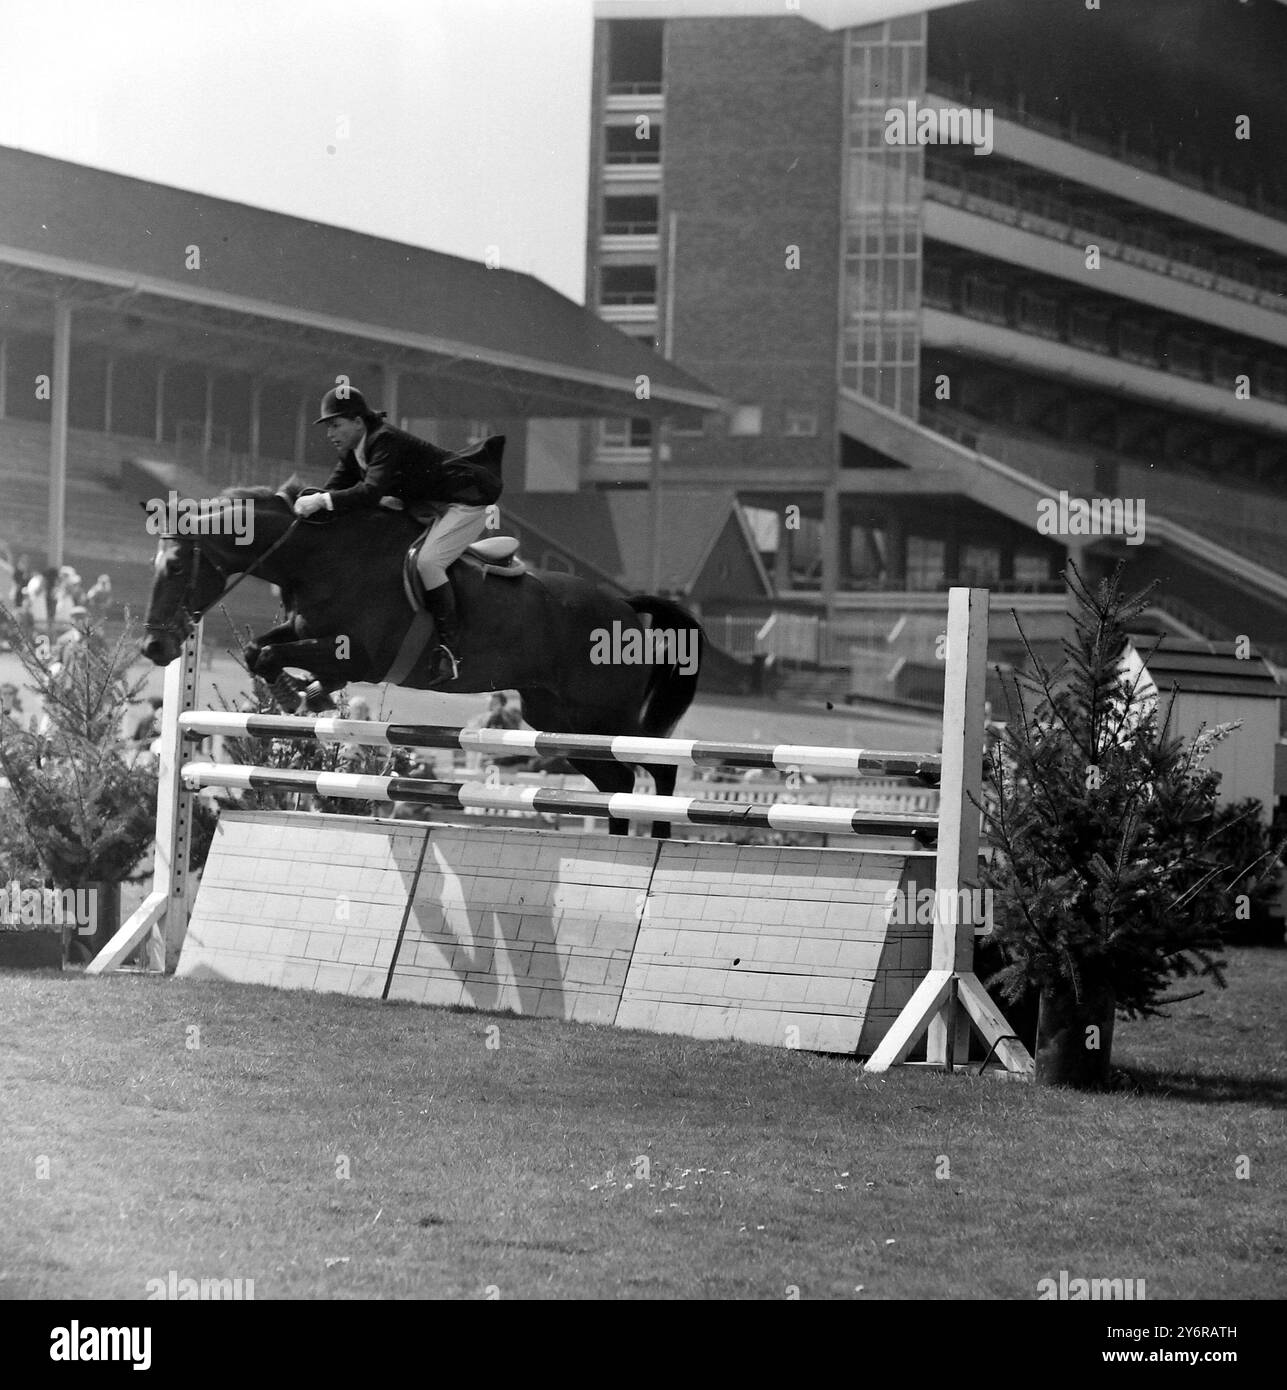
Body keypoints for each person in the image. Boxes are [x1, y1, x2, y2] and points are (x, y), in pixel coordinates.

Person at [294, 386, 502, 685]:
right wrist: (305, 503)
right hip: (430, 504)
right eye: (328, 426)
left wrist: (324, 501)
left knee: (428, 563)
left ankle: (449, 651)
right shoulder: (354, 452)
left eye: (335, 424)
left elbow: (367, 491)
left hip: (465, 501)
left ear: (358, 422)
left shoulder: (384, 440)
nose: (330, 433)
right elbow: (333, 492)